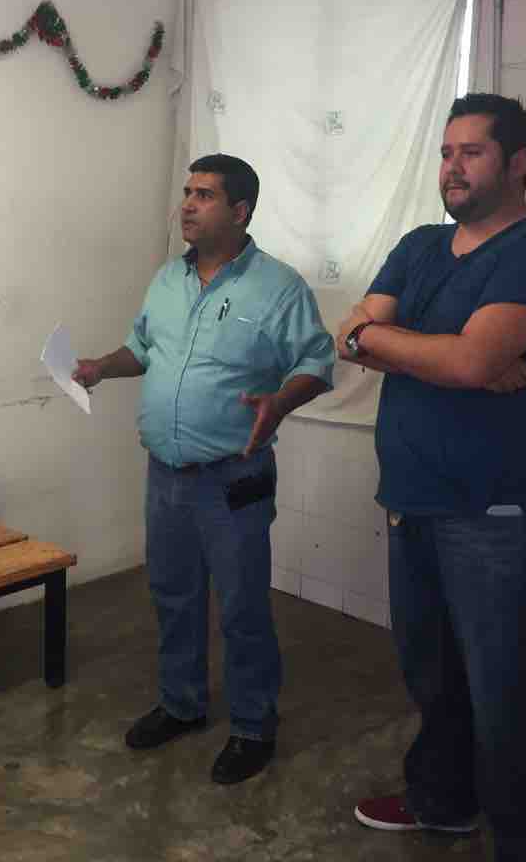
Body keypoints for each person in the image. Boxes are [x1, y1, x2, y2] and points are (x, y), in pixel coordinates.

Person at [339, 94, 526, 861]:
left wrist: (412, 346)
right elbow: (349, 334)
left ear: (519, 162)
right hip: (412, 495)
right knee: (433, 675)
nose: (452, 166)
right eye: (447, 152)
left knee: (500, 689)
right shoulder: (420, 245)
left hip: (498, 509)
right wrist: (443, 354)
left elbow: (465, 359)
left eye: (471, 152)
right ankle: (443, 802)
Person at [73, 153, 335, 785]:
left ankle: (253, 726)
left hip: (233, 479)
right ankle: (182, 704)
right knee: (173, 596)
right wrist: (101, 367)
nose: (187, 205)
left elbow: (316, 361)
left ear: (240, 211)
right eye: (187, 192)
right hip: (165, 475)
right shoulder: (168, 279)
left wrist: (280, 402)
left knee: (242, 608)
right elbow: (143, 347)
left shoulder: (279, 287)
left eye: (205, 195)